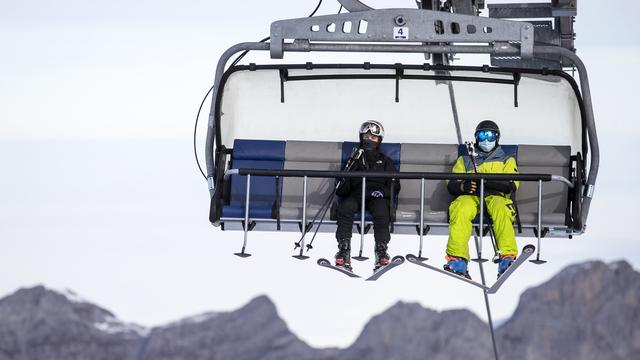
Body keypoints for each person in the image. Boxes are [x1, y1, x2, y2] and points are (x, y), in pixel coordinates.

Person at [444, 120, 519, 279]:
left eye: (490, 135)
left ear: (497, 138)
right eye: (482, 135)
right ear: (476, 138)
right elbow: (452, 184)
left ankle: (506, 257)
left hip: (496, 196)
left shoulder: (507, 160)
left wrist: (486, 181)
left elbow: (511, 185)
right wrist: (464, 187)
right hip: (472, 197)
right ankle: (457, 259)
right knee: (460, 208)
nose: (486, 140)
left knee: (501, 210)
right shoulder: (465, 160)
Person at [334, 120, 400, 271]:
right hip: (357, 194)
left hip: (376, 196)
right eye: (366, 136)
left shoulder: (385, 161)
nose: (369, 140)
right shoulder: (354, 159)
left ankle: (381, 250)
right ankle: (344, 250)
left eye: (373, 138)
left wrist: (383, 192)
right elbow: (342, 190)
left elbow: (395, 185)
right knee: (346, 208)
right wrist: (345, 175)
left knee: (382, 211)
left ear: (379, 141)